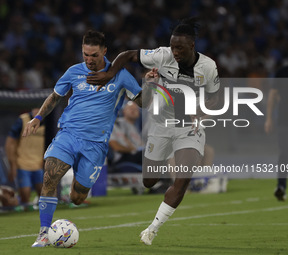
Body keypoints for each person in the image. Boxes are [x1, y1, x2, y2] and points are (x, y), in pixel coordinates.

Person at [87, 17, 220, 245]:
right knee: (149, 180)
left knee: (183, 178)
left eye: (179, 47)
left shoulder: (208, 67)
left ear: (192, 46)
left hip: (189, 128)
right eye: (172, 46)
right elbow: (128, 55)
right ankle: (168, 156)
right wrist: (110, 74)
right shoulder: (162, 55)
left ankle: (152, 229)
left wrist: (201, 113)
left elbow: (215, 98)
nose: (174, 51)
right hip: (160, 125)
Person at [22, 30, 142, 248]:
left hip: (96, 145)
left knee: (77, 198)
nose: (89, 60)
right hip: (69, 134)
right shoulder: (74, 72)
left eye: (94, 55)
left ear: (104, 52)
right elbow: (55, 97)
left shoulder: (121, 75)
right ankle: (43, 232)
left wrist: (150, 84)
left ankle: (73, 192)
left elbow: (143, 102)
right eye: (86, 54)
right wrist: (38, 117)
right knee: (50, 173)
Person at [264, 45, 288, 201]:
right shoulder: (283, 73)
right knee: (284, 153)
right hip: (284, 120)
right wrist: (269, 118)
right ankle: (281, 186)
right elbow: (272, 96)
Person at [5, 108, 44, 207]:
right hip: (23, 164)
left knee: (46, 196)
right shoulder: (22, 120)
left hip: (39, 164)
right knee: (25, 198)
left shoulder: (49, 121)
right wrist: (12, 165)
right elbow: (10, 143)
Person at [109, 101, 143, 171]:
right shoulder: (116, 125)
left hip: (135, 155)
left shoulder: (134, 128)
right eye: (130, 109)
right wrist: (133, 150)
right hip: (122, 157)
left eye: (135, 109)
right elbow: (116, 147)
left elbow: (141, 145)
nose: (133, 111)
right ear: (123, 111)